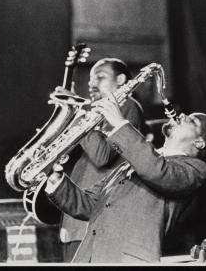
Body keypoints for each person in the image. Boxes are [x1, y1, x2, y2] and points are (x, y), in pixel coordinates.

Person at [45, 90, 206, 264]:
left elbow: (158, 171)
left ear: (199, 142)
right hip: (90, 256)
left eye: (192, 120)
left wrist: (120, 124)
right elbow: (91, 205)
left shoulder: (195, 169)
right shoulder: (137, 160)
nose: (181, 115)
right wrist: (57, 181)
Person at [53, 58, 149, 262]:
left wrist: (77, 114)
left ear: (121, 79)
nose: (91, 83)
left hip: (94, 224)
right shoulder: (99, 114)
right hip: (78, 223)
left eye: (100, 76)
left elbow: (101, 156)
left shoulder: (126, 105)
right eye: (90, 79)